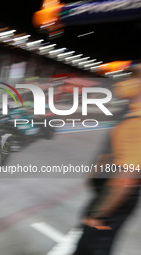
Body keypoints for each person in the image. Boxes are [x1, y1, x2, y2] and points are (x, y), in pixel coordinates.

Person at [73, 65, 141, 255]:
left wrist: (98, 212)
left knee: (93, 248)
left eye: (132, 76)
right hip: (111, 194)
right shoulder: (130, 113)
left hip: (114, 197)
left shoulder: (137, 121)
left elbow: (125, 178)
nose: (123, 81)